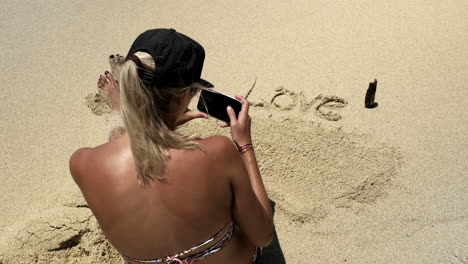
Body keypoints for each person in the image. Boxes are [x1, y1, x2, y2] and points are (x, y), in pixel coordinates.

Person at [69, 28, 273, 264]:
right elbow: (263, 236)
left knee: (118, 145)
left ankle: (118, 107)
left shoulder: (82, 164)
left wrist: (158, 121)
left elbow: (133, 151)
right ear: (183, 94)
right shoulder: (218, 151)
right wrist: (244, 145)